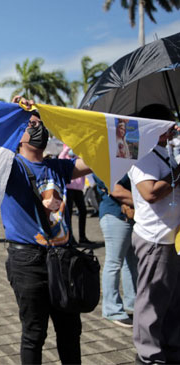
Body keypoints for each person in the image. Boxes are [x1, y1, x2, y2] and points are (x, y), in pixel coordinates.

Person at [2, 96, 92, 364]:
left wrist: (60, 122)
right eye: (32, 124)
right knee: (34, 333)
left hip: (63, 259)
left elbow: (93, 157)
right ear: (19, 133)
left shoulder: (58, 167)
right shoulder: (11, 167)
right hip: (28, 262)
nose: (39, 127)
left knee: (70, 331)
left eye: (42, 123)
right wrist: (13, 112)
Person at [127, 104, 180, 365]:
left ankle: (170, 348)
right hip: (154, 238)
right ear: (154, 126)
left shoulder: (165, 152)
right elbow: (150, 192)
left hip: (172, 236)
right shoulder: (139, 153)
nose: (174, 127)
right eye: (169, 123)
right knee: (151, 301)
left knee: (171, 299)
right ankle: (149, 356)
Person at [93, 173, 137, 328]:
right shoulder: (105, 159)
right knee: (114, 262)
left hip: (127, 215)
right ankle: (112, 309)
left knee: (130, 261)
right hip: (115, 213)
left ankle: (132, 302)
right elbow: (115, 189)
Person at [59, 144, 92, 244]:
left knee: (83, 211)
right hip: (68, 189)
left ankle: (82, 237)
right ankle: (70, 237)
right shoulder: (65, 159)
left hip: (78, 190)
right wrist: (68, 148)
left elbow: (85, 163)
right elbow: (60, 157)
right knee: (68, 214)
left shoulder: (78, 158)